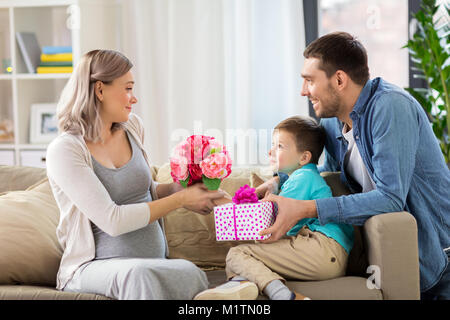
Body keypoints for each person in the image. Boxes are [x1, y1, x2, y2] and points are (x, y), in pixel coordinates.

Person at [258, 32, 450, 300]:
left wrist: (306, 208)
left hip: (435, 262)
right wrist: (280, 181)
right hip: (383, 256)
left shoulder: (390, 108)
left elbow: (391, 198)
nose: (303, 91)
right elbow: (329, 173)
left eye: (309, 81)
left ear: (339, 80)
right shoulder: (332, 121)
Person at [46, 49, 226, 300]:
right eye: (128, 88)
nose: (134, 99)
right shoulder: (65, 150)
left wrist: (181, 188)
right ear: (99, 90)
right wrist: (181, 201)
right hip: (92, 267)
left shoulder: (132, 127)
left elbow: (141, 190)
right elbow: (113, 220)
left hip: (150, 262)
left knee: (189, 271)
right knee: (138, 274)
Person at [194, 116, 353, 300]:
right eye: (273, 144)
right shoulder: (301, 178)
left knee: (237, 254)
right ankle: (239, 285)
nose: (271, 151)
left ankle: (283, 296)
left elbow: (266, 225)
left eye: (280, 146)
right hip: (325, 252)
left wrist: (219, 199)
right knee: (240, 262)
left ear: (304, 157)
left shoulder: (302, 179)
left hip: (323, 249)